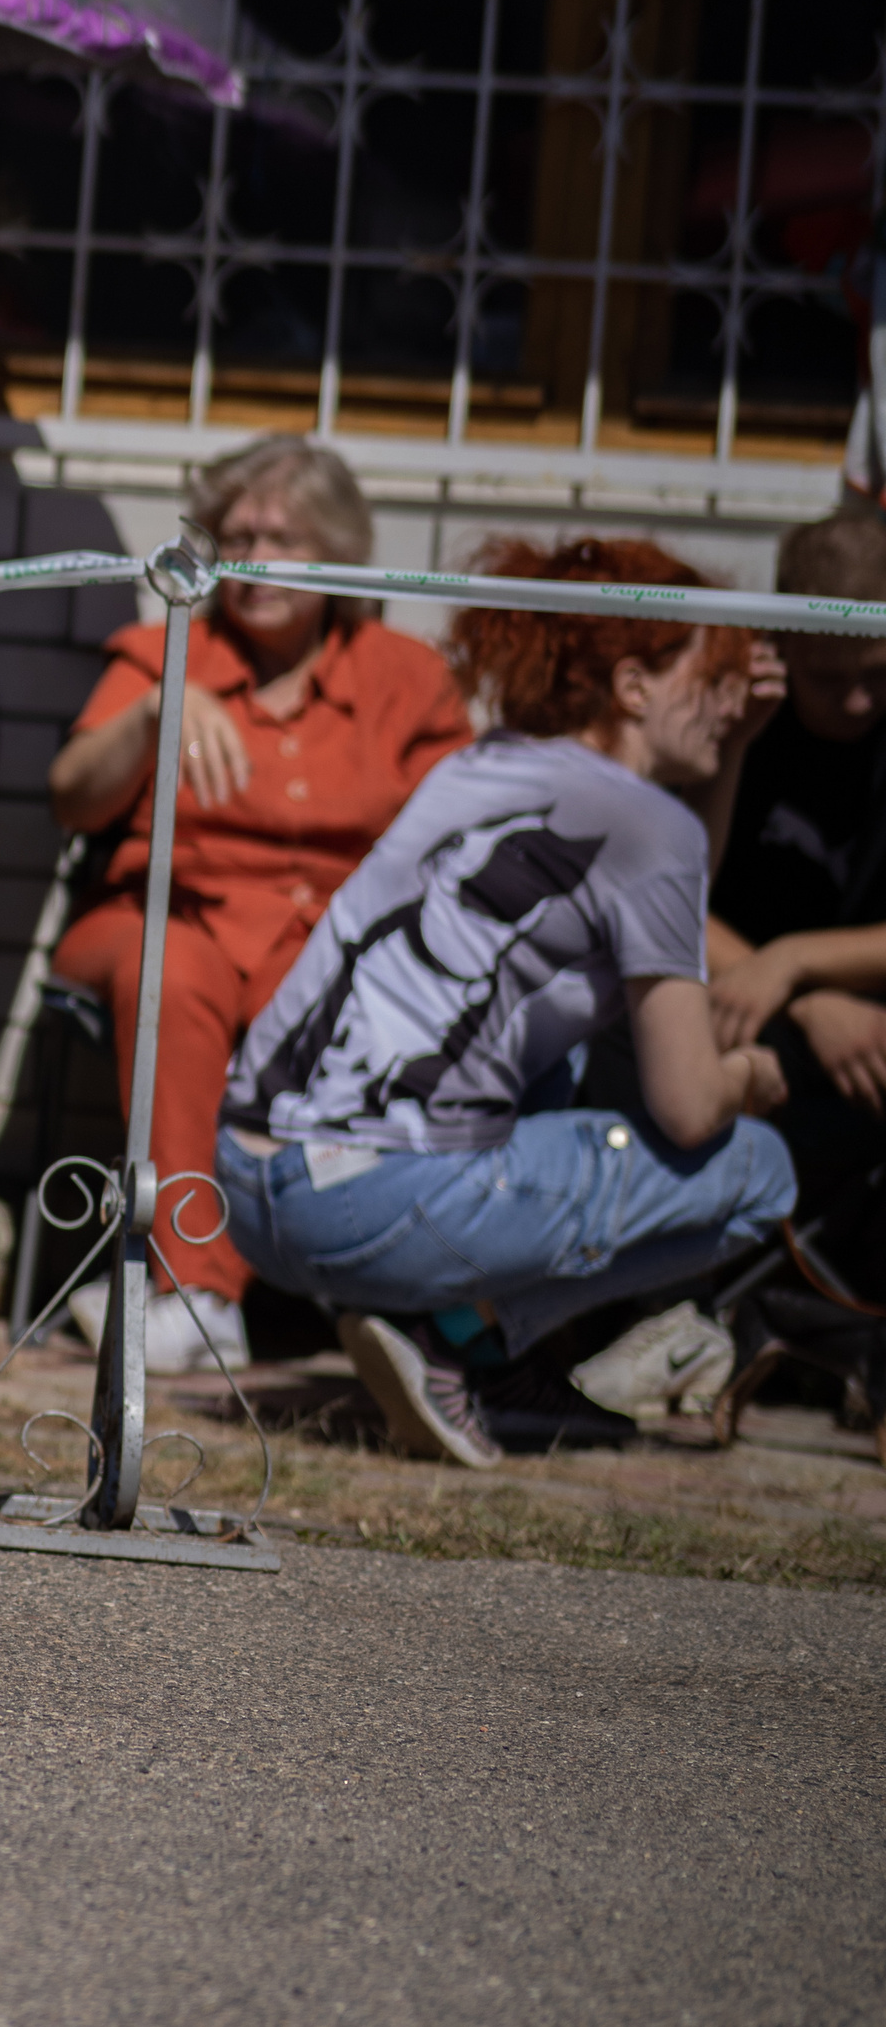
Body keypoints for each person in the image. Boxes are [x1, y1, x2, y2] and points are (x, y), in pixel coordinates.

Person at [217, 535, 798, 1468]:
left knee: (563, 1038)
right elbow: (690, 1108)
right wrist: (751, 1076)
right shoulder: (647, 825)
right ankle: (462, 1337)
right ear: (633, 685)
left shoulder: (485, 764)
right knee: (759, 1170)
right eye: (715, 675)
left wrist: (730, 752)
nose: (735, 699)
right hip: (369, 1209)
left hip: (245, 1192)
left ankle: (491, 1363)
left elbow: (668, 905)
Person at [46, 435, 471, 1369]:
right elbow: (73, 796)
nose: (256, 559)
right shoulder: (169, 651)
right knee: (175, 975)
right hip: (164, 914)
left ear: (338, 555)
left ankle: (368, 1284)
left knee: (335, 998)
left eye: (284, 539)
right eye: (237, 537)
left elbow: (463, 832)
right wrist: (158, 708)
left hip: (328, 937)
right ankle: (192, 1295)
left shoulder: (406, 678)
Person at [701, 507, 886, 1191]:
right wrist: (805, 1003)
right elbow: (662, 896)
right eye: (828, 679)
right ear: (781, 644)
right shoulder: (729, 715)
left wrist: (794, 962)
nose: (859, 701)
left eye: (879, 674)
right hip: (738, 1003)